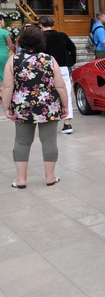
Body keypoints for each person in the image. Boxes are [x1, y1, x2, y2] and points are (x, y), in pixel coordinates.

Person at [2, 25, 69, 188]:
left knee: (22, 142)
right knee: (49, 141)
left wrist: (6, 108)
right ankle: (50, 178)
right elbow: (60, 86)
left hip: (23, 107)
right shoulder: (49, 59)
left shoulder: (14, 60)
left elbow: (7, 87)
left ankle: (21, 180)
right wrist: (65, 105)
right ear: (41, 41)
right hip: (49, 106)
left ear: (22, 41)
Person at [38, 16, 76, 134]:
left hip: (46, 68)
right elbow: (72, 48)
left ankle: (48, 121)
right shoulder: (62, 35)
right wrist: (70, 61)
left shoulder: (40, 37)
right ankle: (67, 123)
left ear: (41, 25)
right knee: (66, 93)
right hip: (62, 67)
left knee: (46, 94)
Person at [0, 16, 14, 98]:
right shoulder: (4, 32)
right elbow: (10, 45)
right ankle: (2, 91)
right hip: (3, 54)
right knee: (4, 73)